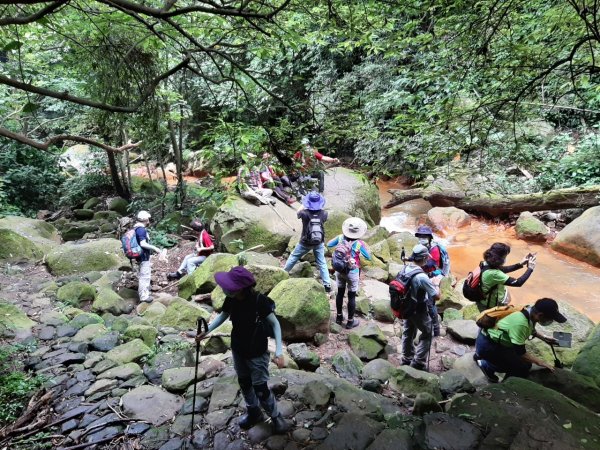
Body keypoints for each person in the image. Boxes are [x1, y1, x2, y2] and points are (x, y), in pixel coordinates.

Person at [196, 266, 291, 433]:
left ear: (239, 288)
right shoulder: (231, 298)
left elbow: (275, 324)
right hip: (238, 348)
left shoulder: (259, 301)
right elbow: (223, 316)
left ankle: (276, 417)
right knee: (245, 383)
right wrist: (207, 331)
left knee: (260, 388)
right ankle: (254, 412)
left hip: (257, 352)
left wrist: (278, 351)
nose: (224, 288)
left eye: (227, 286)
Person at [475, 298, 567, 382]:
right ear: (540, 315)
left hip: (497, 340)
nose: (551, 321)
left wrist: (544, 338)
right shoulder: (521, 323)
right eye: (550, 319)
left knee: (526, 365)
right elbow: (521, 352)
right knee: (519, 367)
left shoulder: (528, 310)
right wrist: (541, 362)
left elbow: (530, 328)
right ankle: (486, 365)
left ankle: (482, 357)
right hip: (489, 345)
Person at [399, 244, 441, 371]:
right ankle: (418, 362)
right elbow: (436, 296)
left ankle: (406, 358)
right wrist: (436, 284)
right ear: (423, 258)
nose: (428, 260)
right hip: (418, 309)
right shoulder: (422, 277)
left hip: (406, 307)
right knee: (428, 333)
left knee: (408, 331)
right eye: (426, 258)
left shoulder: (405, 268)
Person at [326, 217, 372, 329]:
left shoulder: (340, 237)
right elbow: (368, 257)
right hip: (353, 271)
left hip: (339, 270)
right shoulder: (359, 243)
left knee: (340, 294)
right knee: (351, 296)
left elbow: (329, 244)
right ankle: (350, 321)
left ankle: (338, 317)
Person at [283, 192, 332, 292]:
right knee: (322, 262)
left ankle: (283, 273)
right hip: (319, 242)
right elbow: (322, 214)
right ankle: (327, 284)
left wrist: (305, 203)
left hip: (305, 242)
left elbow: (298, 213)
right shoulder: (324, 214)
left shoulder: (304, 213)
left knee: (293, 256)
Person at [413, 225, 449, 336]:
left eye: (424, 236)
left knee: (430, 303)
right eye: (420, 236)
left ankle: (436, 330)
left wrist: (415, 261)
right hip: (424, 275)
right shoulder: (421, 246)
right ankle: (422, 319)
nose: (422, 238)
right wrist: (408, 258)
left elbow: (430, 264)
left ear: (429, 238)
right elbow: (416, 258)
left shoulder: (434, 249)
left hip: (434, 276)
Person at [480, 243, 536, 308]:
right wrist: (530, 269)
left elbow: (503, 269)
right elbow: (518, 283)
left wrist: (520, 264)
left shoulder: (486, 263)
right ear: (499, 258)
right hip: (491, 303)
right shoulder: (494, 274)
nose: (505, 258)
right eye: (505, 256)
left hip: (486, 296)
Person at [134, 210, 165, 303]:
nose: (149, 220)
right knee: (145, 275)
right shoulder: (141, 229)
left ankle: (145, 292)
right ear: (145, 219)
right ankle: (144, 296)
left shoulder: (136, 228)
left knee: (143, 274)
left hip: (139, 255)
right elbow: (143, 243)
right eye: (148, 219)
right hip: (143, 256)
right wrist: (154, 248)